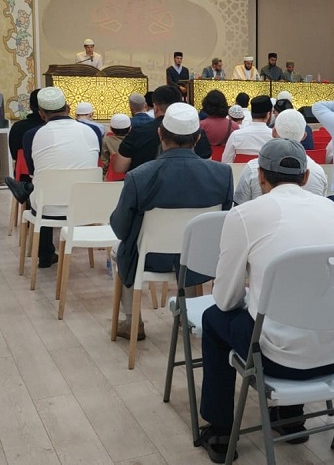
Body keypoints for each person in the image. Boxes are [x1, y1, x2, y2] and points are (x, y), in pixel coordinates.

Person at [197, 138, 334, 461]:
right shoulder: (331, 209)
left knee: (213, 319)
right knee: (307, 304)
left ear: (260, 176)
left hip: (280, 360)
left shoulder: (245, 215)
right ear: (306, 177)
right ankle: (290, 417)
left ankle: (222, 431)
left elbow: (226, 300)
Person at [111, 103, 233, 340]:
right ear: (198, 138)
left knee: (122, 249)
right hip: (198, 261)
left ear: (160, 134)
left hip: (150, 259)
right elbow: (222, 224)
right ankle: (189, 316)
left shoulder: (139, 176)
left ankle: (132, 322)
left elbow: (120, 228)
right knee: (191, 246)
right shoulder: (222, 174)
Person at [18, 87, 101, 267]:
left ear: (41, 114)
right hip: (85, 207)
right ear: (68, 108)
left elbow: (33, 172)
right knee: (49, 187)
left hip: (48, 209)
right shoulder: (93, 131)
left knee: (42, 189)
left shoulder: (31, 135)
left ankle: (45, 255)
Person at [234, 109, 328, 203]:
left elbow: (239, 206)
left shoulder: (252, 168)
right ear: (304, 136)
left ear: (274, 132)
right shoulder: (319, 173)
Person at [114, 85, 212, 173]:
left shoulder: (137, 133)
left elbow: (119, 168)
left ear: (155, 108)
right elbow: (207, 168)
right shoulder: (198, 133)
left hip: (145, 186)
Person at [222, 96, 274, 163]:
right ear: (268, 114)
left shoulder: (236, 135)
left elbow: (226, 161)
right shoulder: (274, 137)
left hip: (240, 169)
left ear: (251, 113)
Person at [7, 89, 43, 166]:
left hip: (24, 171)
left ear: (30, 106)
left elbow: (15, 155)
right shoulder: (56, 127)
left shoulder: (18, 127)